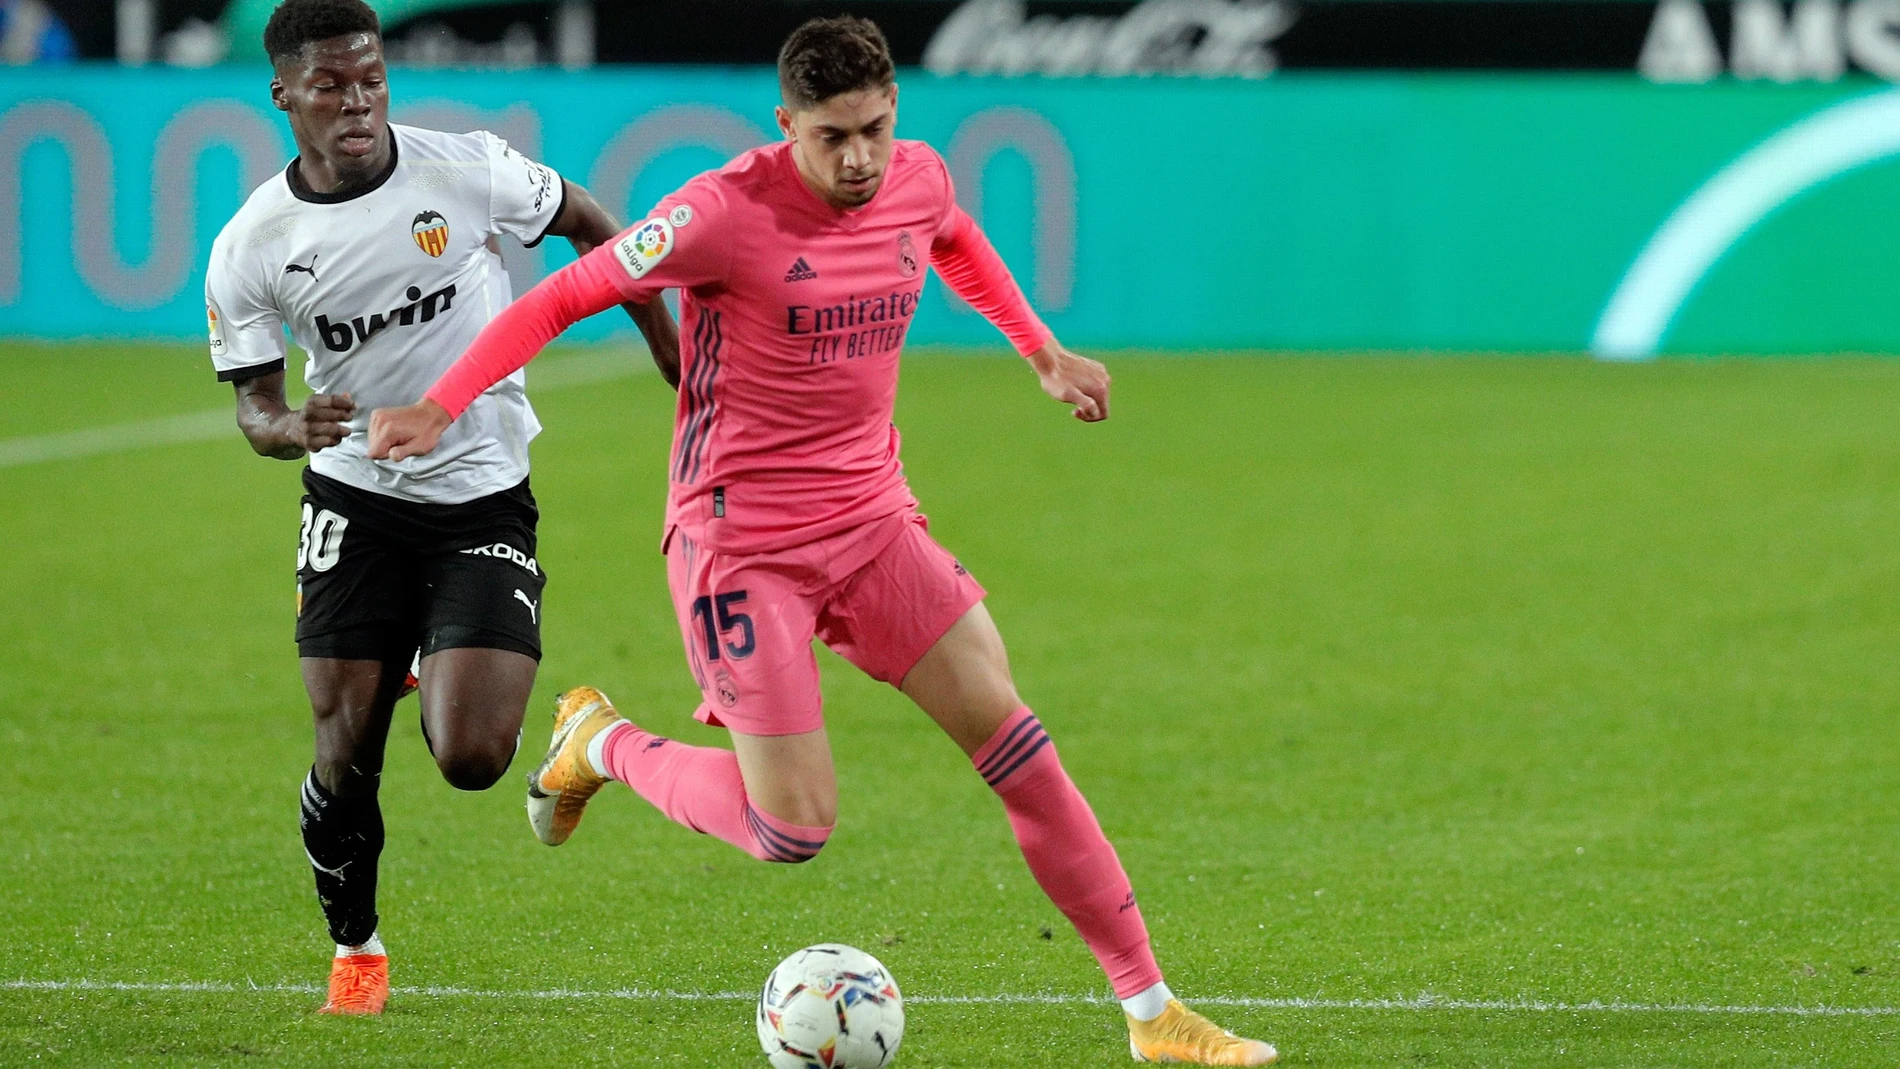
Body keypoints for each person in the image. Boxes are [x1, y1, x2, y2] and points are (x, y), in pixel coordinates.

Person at [369, 15, 1276, 1064]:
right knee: (790, 829)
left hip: (875, 524)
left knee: (1022, 751)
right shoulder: (718, 212)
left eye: (875, 130)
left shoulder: (916, 178)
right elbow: (572, 290)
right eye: (831, 136)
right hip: (739, 547)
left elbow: (954, 240)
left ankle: (1152, 1013)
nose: (858, 159)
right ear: (785, 123)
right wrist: (442, 404)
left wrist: (1040, 349)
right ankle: (602, 745)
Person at [203, 0, 678, 1017]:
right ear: (284, 94)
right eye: (331, 84)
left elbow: (596, 229)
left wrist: (669, 347)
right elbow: (253, 407)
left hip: (480, 497)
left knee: (470, 757)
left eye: (371, 77)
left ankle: (472, 670)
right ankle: (357, 949)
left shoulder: (462, 171)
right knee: (345, 751)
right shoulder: (252, 244)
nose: (358, 99)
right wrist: (291, 429)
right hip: (353, 499)